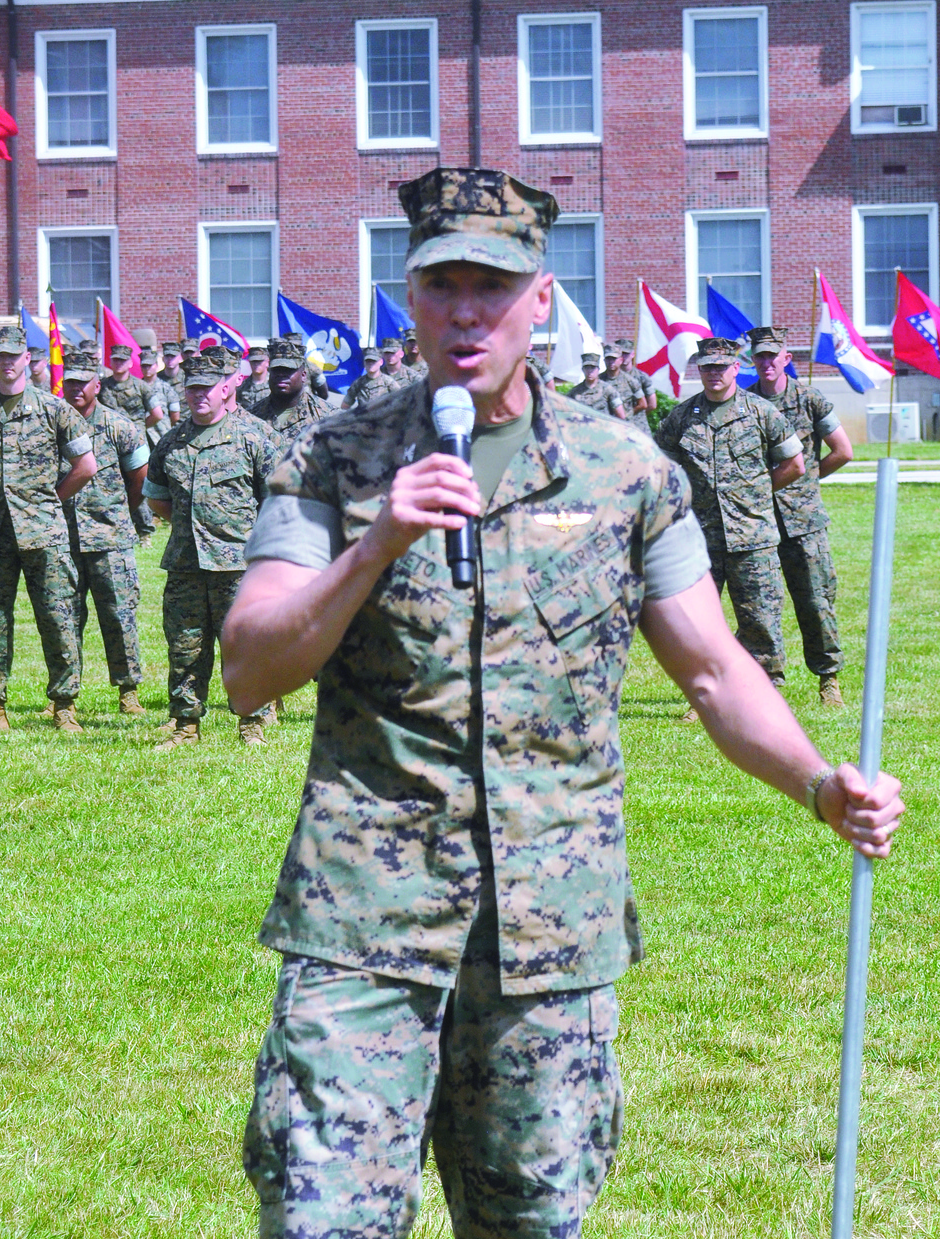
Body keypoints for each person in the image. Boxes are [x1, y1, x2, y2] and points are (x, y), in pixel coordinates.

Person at [220, 167, 904, 1239]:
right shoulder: (338, 457)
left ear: (541, 299)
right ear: (408, 297)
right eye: (440, 284)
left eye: (491, 286)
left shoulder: (626, 470)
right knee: (319, 1217)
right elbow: (251, 668)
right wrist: (375, 542)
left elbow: (715, 671)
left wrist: (820, 784)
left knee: (532, 1220)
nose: (464, 311)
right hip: (364, 922)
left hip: (551, 930)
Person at [0, 325, 98, 733]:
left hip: (44, 532)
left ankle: (64, 705)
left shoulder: (55, 410)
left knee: (58, 616)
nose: (8, 362)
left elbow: (86, 466)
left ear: (28, 359)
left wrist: (48, 499)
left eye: (15, 355)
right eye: (0, 355)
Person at [655, 336, 805, 721]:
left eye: (721, 366)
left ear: (737, 368)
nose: (713, 374)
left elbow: (795, 464)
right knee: (698, 623)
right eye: (706, 367)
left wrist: (755, 494)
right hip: (700, 539)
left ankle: (766, 692)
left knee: (761, 620)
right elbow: (663, 469)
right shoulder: (682, 416)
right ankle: (703, 694)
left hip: (752, 536)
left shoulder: (761, 412)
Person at [143, 353, 280, 749]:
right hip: (186, 564)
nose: (198, 394)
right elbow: (156, 499)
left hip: (239, 565)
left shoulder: (254, 436)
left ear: (225, 388)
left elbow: (278, 499)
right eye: (192, 387)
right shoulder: (172, 442)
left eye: (206, 387)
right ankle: (186, 726)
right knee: (185, 646)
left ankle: (251, 724)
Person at [746, 326, 853, 706]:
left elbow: (842, 450)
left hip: (804, 522)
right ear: (752, 360)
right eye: (759, 356)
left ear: (787, 359)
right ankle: (766, 682)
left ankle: (829, 681)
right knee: (761, 604)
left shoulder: (809, 399)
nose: (766, 362)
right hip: (759, 520)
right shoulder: (746, 403)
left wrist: (806, 480)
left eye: (773, 355)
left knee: (815, 600)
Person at [61, 350, 150, 716]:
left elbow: (139, 477)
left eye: (84, 382)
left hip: (110, 538)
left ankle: (128, 692)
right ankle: (64, 698)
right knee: (64, 619)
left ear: (97, 384)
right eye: (70, 381)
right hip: (62, 537)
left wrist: (118, 513)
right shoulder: (51, 422)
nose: (76, 388)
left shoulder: (119, 425)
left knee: (119, 616)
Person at [99, 344, 165, 542]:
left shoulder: (140, 386)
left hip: (135, 443)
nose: (118, 363)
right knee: (111, 484)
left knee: (139, 485)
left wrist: (137, 428)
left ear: (129, 363)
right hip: (108, 442)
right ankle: (115, 526)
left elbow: (157, 414)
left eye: (122, 360)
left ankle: (144, 531)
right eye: (115, 360)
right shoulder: (102, 385)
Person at [601, 341, 650, 434]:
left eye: (614, 359)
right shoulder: (600, 381)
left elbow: (643, 404)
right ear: (604, 360)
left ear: (620, 360)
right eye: (608, 359)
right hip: (607, 429)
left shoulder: (631, 381)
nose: (611, 362)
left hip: (629, 429)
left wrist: (626, 415)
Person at [566, 351, 625, 417]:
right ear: (583, 369)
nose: (590, 371)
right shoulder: (575, 392)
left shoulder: (608, 390)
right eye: (587, 368)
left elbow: (621, 416)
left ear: (598, 369)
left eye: (592, 368)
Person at [140, 345, 182, 429]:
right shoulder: (137, 387)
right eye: (144, 366)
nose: (147, 369)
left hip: (161, 434)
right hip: (142, 436)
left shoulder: (165, 387)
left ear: (156, 365)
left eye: (150, 365)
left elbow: (175, 415)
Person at [283, 331, 331, 400]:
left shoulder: (311, 366)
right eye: (291, 348)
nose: (295, 350)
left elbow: (324, 394)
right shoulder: (277, 367)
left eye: (297, 347)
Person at [617, 337, 656, 419]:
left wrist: (637, 416)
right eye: (620, 354)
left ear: (632, 354)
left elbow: (652, 404)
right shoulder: (610, 376)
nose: (623, 357)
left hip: (636, 424)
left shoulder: (642, 377)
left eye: (626, 353)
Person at [160, 341, 190, 420]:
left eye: (173, 356)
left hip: (186, 422)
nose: (170, 359)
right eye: (167, 356)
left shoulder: (188, 378)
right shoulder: (157, 379)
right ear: (163, 358)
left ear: (180, 358)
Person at [239, 345, 271, 413]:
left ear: (267, 363)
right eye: (253, 361)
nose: (256, 364)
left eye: (259, 361)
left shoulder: (273, 383)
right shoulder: (242, 386)